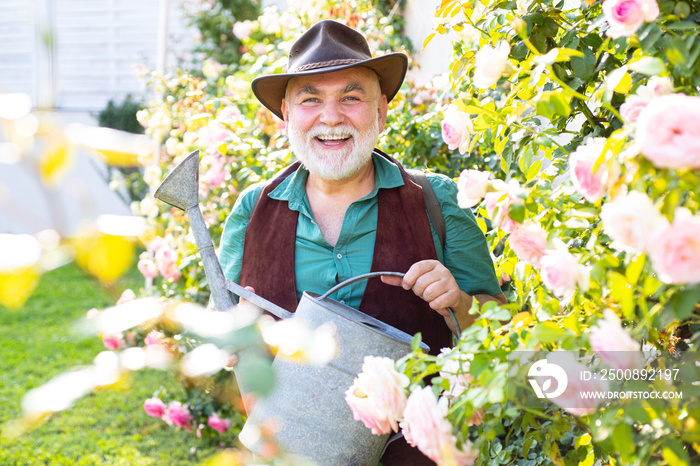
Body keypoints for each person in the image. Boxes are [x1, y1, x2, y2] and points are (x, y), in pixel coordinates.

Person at [218, 19, 506, 465]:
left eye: (351, 98)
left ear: (382, 110)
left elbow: (504, 331)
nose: (331, 117)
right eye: (310, 99)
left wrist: (461, 303)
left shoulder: (437, 201)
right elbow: (224, 338)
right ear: (286, 114)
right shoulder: (252, 212)